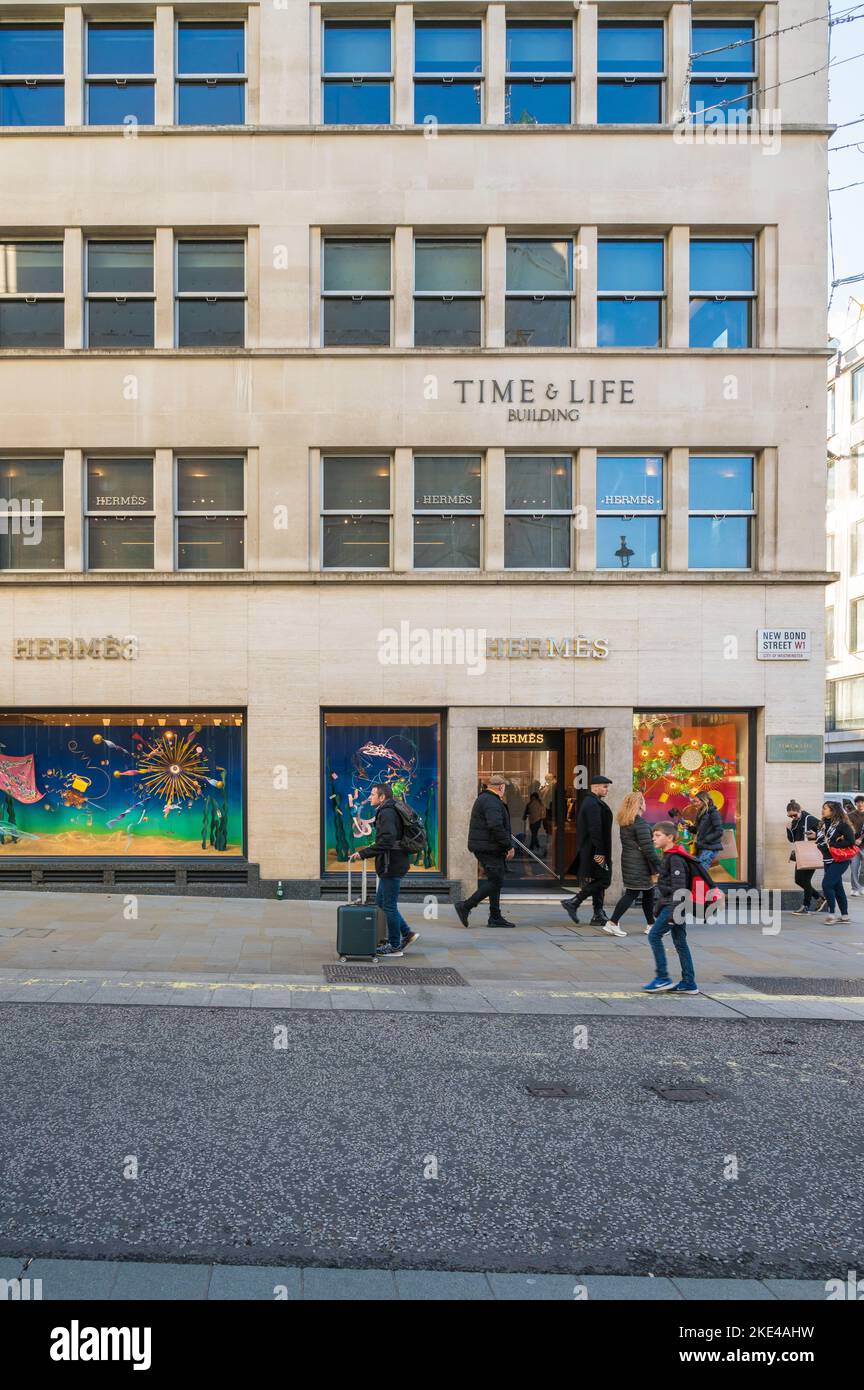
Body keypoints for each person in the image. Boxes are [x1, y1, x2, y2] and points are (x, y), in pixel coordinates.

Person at [350, 782, 419, 957]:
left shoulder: (387, 812)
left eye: (373, 794)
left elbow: (387, 841)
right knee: (382, 903)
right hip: (392, 863)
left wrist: (363, 853)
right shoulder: (388, 810)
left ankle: (395, 946)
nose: (370, 797)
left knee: (388, 906)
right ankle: (407, 933)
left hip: (392, 865)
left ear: (382, 797)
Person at [642, 820, 708, 995]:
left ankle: (663, 978)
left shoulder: (675, 858)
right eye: (653, 835)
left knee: (654, 936)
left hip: (675, 906)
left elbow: (679, 889)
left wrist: (673, 914)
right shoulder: (669, 855)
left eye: (657, 835)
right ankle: (689, 982)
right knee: (680, 942)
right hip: (676, 906)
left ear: (670, 837)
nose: (653, 838)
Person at [454, 774, 516, 929]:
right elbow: (495, 826)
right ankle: (466, 906)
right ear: (501, 787)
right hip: (489, 847)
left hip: (488, 846)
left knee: (496, 879)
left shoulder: (486, 799)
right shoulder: (491, 801)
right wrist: (508, 845)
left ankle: (495, 916)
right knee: (496, 881)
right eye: (505, 788)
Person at [604, 791, 662, 938]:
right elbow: (648, 849)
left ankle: (651, 924)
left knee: (648, 892)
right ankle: (612, 922)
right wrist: (659, 865)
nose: (646, 804)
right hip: (639, 863)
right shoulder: (640, 823)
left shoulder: (626, 822)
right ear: (640, 804)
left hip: (631, 861)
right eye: (644, 801)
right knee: (632, 893)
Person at [561, 774, 614, 925]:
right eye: (605, 786)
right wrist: (600, 852)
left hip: (595, 849)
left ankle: (598, 913)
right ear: (595, 787)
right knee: (604, 879)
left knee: (599, 879)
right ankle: (574, 901)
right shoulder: (592, 803)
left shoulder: (593, 802)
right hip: (595, 850)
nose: (607, 790)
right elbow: (595, 829)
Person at [811, 800, 856, 924]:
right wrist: (814, 836)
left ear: (833, 810)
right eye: (823, 808)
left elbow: (851, 840)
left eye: (825, 808)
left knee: (827, 884)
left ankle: (831, 914)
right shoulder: (822, 824)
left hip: (840, 859)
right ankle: (845, 916)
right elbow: (822, 838)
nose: (823, 810)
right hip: (828, 859)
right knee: (837, 887)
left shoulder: (842, 824)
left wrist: (833, 844)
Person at [785, 799, 823, 914]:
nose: (793, 818)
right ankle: (819, 898)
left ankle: (805, 906)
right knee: (798, 880)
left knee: (805, 880)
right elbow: (792, 840)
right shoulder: (795, 822)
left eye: (794, 815)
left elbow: (824, 831)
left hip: (810, 853)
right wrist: (788, 829)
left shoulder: (809, 819)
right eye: (790, 816)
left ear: (800, 810)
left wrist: (815, 835)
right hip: (801, 853)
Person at [691, 790, 724, 873]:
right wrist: (689, 827)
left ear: (704, 801)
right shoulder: (701, 813)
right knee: (699, 873)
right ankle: (704, 886)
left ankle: (709, 886)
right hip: (702, 847)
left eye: (696, 801)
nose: (694, 804)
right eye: (693, 801)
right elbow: (697, 830)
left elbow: (719, 831)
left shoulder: (713, 813)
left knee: (700, 873)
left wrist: (705, 839)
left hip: (709, 848)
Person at [847, 796, 864, 896]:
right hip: (853, 845)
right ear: (855, 804)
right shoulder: (850, 815)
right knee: (854, 867)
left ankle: (861, 886)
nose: (860, 804)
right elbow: (848, 829)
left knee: (863, 870)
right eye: (858, 802)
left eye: (862, 802)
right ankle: (854, 888)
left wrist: (860, 839)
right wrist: (854, 840)